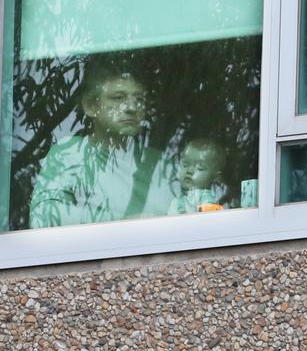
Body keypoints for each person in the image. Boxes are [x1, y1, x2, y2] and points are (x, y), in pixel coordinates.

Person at [28, 65, 177, 229]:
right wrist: (127, 223)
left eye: (139, 99)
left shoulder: (163, 164)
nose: (132, 107)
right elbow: (44, 218)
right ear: (91, 106)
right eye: (118, 97)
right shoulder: (70, 154)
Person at [166, 138, 233, 215]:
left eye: (200, 168)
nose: (189, 171)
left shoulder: (209, 206)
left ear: (215, 177)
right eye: (185, 164)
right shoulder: (177, 201)